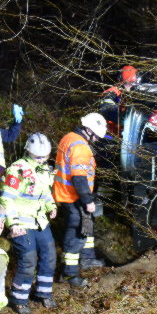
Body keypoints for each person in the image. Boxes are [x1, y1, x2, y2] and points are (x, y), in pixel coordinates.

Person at [0, 133, 57, 314]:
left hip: (40, 221)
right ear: (28, 151)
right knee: (28, 259)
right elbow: (7, 199)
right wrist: (13, 223)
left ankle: (43, 292)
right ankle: (19, 297)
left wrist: (51, 206)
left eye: (44, 156)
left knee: (49, 255)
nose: (41, 159)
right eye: (37, 156)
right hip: (21, 222)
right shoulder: (17, 169)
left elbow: (46, 192)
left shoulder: (45, 169)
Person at [53, 113, 108, 287]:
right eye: (97, 136)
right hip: (73, 195)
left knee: (86, 225)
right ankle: (69, 273)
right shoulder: (81, 147)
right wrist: (88, 201)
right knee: (76, 232)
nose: (97, 140)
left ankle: (87, 258)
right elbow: (79, 178)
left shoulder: (69, 138)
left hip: (67, 193)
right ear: (89, 130)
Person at [99, 65, 140, 134]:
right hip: (111, 133)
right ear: (123, 82)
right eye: (130, 84)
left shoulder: (135, 95)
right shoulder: (112, 92)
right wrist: (124, 116)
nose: (132, 87)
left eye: (133, 84)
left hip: (129, 133)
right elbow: (105, 108)